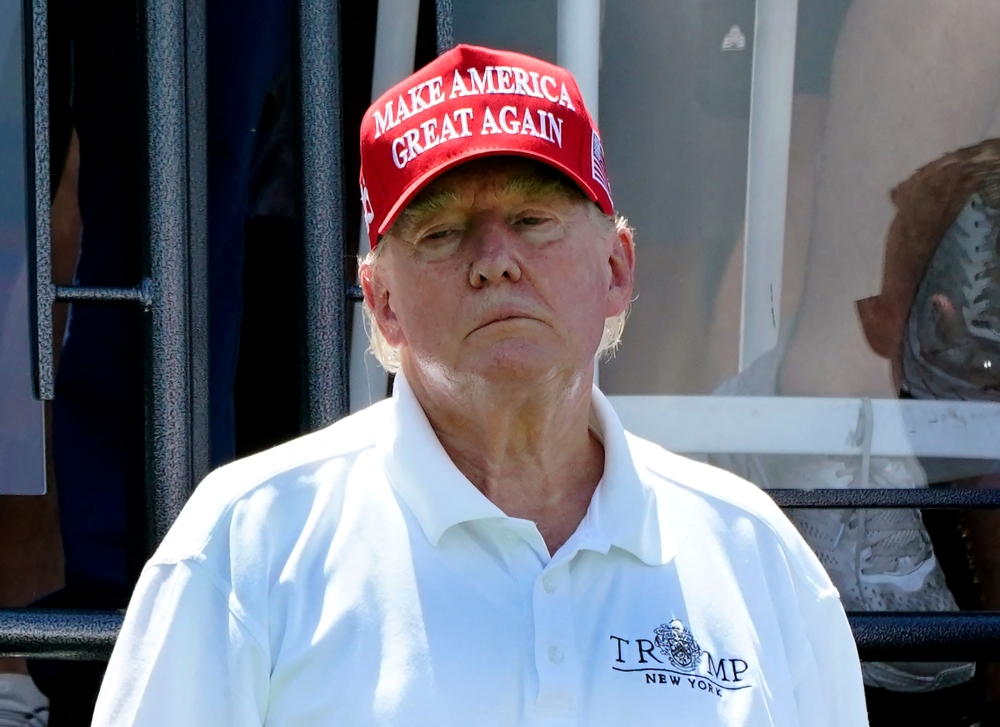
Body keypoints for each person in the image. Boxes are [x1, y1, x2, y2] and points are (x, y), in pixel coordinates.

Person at [91, 45, 868, 726]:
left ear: (617, 269)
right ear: (383, 301)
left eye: (533, 219)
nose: (495, 258)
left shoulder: (756, 555)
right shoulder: (248, 544)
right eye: (441, 231)